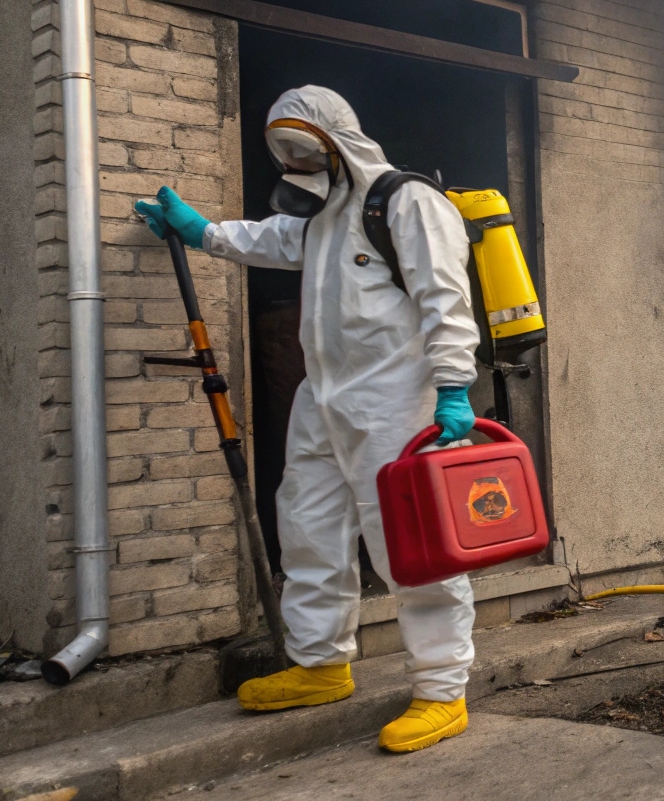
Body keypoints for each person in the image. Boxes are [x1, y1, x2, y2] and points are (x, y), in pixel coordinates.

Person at [134, 86, 480, 754]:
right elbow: (270, 239)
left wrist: (453, 387)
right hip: (323, 397)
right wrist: (200, 230)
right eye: (284, 150)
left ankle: (442, 689)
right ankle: (321, 663)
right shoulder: (324, 220)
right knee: (308, 524)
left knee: (411, 545)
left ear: (338, 140)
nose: (295, 161)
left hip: (397, 399)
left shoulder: (405, 202)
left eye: (305, 146)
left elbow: (446, 297)